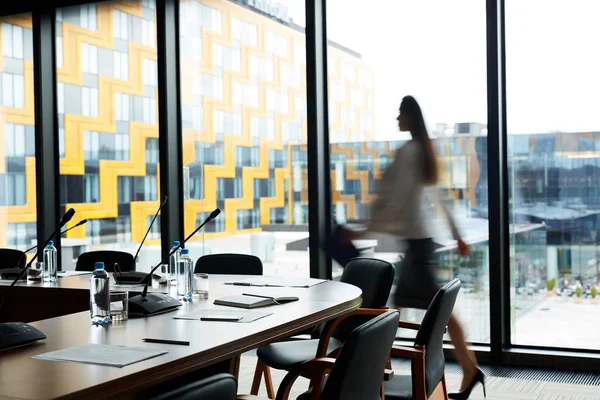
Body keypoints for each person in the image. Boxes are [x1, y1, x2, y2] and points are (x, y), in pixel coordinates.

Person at [343, 96, 484, 399]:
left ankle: (369, 370)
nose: (396, 119)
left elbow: (393, 198)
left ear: (409, 116)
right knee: (417, 310)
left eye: (399, 114)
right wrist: (457, 234)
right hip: (421, 243)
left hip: (418, 246)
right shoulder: (425, 151)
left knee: (392, 311)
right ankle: (469, 368)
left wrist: (363, 230)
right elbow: (441, 197)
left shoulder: (409, 152)